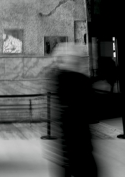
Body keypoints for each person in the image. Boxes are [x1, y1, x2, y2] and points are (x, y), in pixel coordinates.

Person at [45, 43, 98, 177]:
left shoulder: (56, 78)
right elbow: (92, 114)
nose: (80, 62)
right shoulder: (81, 80)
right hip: (80, 141)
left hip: (64, 143)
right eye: (78, 59)